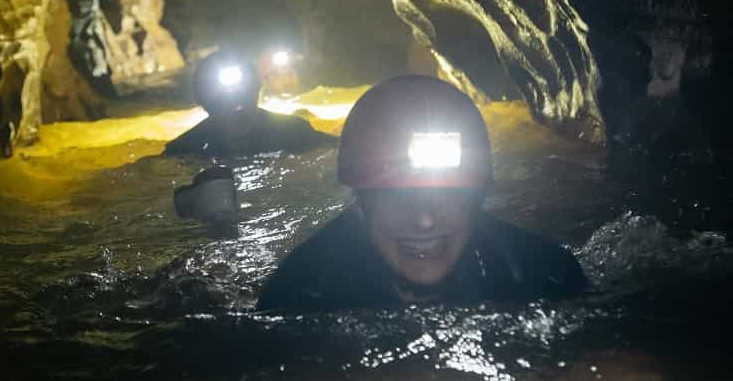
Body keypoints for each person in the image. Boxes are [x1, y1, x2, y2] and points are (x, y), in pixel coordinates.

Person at [257, 75, 586, 312]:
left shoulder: (545, 278)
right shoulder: (301, 298)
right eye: (397, 197)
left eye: (446, 196)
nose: (425, 220)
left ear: (477, 199)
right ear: (359, 204)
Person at [163, 50, 336, 157]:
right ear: (202, 100)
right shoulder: (182, 151)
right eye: (224, 99)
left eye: (243, 93)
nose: (236, 103)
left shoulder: (294, 132)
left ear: (257, 88)